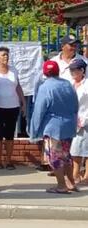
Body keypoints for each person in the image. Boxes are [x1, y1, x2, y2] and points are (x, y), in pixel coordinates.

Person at [29, 60, 79, 194]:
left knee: (55, 157)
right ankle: (71, 183)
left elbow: (39, 110)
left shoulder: (45, 87)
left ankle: (61, 185)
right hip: (68, 125)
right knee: (66, 155)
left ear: (45, 73)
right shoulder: (67, 84)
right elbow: (75, 105)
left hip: (53, 127)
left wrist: (33, 132)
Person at [0, 47, 26, 169]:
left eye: (7, 55)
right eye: (3, 55)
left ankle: (8, 161)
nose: (6, 57)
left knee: (10, 135)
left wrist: (23, 102)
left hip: (13, 106)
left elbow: (18, 86)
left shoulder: (13, 70)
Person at [68, 59, 88, 185]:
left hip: (84, 120)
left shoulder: (87, 84)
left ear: (82, 70)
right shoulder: (69, 83)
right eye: (71, 70)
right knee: (75, 149)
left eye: (75, 69)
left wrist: (85, 119)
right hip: (71, 121)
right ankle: (77, 174)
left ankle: (79, 174)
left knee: (82, 149)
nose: (72, 72)